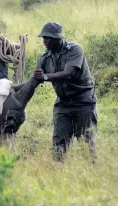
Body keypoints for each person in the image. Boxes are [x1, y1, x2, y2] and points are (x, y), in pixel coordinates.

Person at [33, 22, 98, 162]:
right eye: (44, 38)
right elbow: (34, 80)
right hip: (63, 104)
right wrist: (13, 91)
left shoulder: (74, 50)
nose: (45, 41)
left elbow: (68, 73)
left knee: (87, 144)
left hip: (84, 102)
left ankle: (91, 174)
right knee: (58, 146)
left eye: (48, 38)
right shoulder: (44, 57)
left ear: (58, 38)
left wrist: (45, 77)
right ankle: (58, 175)